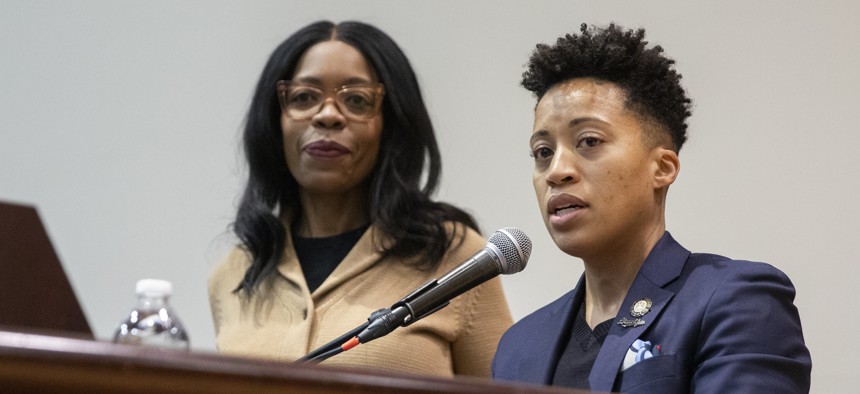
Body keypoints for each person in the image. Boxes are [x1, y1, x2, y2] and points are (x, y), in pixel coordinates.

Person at [492, 23, 811, 393]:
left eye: (589, 141)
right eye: (543, 153)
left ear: (662, 168)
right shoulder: (518, 347)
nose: (557, 171)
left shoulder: (736, 300)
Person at [207, 20, 512, 378]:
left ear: (392, 125)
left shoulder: (454, 256)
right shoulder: (234, 273)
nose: (328, 115)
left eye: (356, 100)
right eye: (304, 97)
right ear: (274, 122)